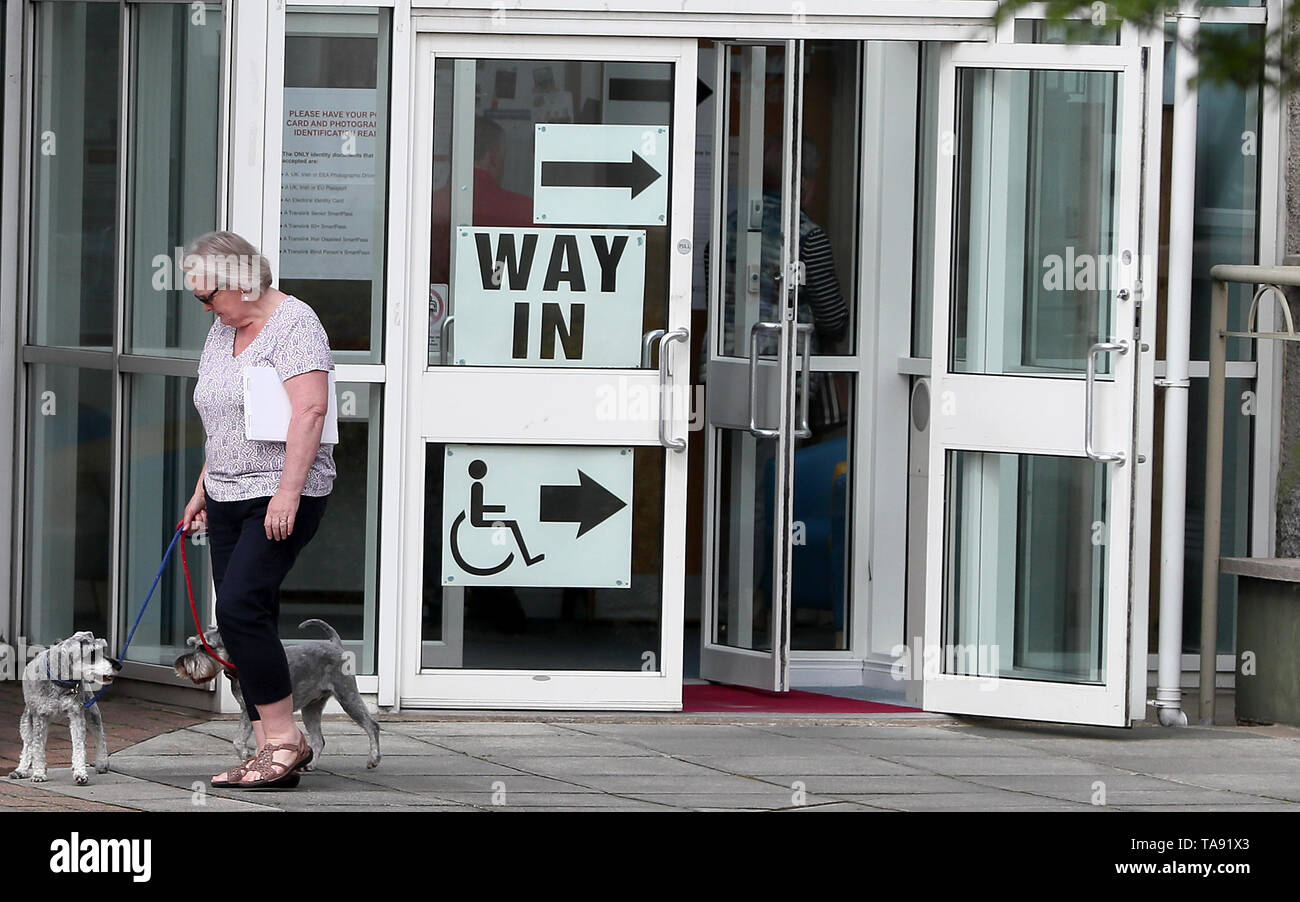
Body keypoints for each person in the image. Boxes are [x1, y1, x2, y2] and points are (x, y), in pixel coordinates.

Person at [180, 230, 336, 789]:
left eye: (209, 297)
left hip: (280, 490)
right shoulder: (223, 332)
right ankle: (272, 750)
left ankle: (284, 738)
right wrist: (202, 490)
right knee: (247, 616)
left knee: (242, 605)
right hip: (224, 491)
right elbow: (221, 421)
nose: (205, 309)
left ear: (242, 281)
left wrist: (288, 493)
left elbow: (311, 412)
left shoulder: (295, 324)